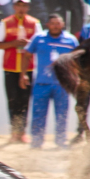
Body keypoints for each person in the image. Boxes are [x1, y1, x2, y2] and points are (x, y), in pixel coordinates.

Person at [21, 14, 77, 149]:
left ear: (63, 24)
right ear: (47, 24)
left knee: (62, 114)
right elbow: (27, 55)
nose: (55, 26)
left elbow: (78, 61)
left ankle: (61, 141)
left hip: (62, 85)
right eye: (52, 23)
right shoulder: (38, 38)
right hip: (41, 83)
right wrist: (23, 75)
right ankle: (36, 142)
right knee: (38, 113)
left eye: (58, 23)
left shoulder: (71, 40)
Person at [0, 0, 41, 143]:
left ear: (28, 7)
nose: (21, 8)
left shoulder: (34, 23)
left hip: (28, 68)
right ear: (14, 7)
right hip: (10, 67)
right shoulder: (5, 23)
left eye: (24, 5)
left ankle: (22, 132)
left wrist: (28, 44)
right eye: (19, 5)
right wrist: (13, 44)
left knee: (25, 100)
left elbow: (39, 44)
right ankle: (14, 131)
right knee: (12, 100)